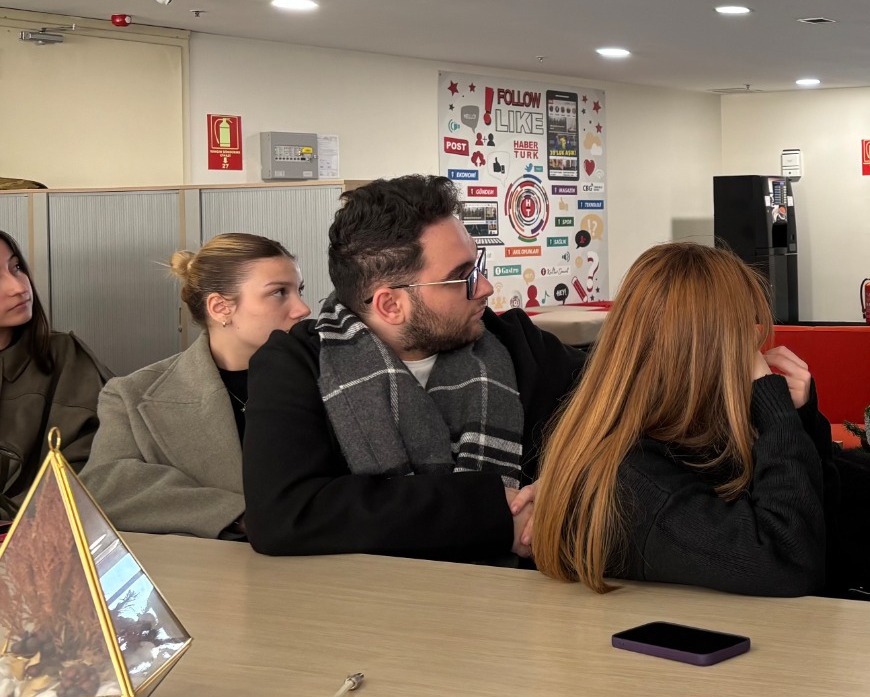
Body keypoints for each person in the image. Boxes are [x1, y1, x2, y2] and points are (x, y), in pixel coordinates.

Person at [243, 175, 585, 561]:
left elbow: (627, 416)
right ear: (390, 305)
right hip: (371, 596)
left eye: (478, 266)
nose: (485, 288)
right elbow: (284, 516)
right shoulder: (297, 365)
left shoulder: (518, 344)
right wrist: (493, 514)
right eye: (462, 277)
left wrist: (567, 484)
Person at [531, 242, 831, 596]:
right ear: (700, 352)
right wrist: (776, 415)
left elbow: (824, 521)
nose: (753, 345)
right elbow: (789, 560)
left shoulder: (689, 440)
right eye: (741, 332)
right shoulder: (635, 485)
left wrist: (800, 421)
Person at [82, 235, 310, 539]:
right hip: (201, 566)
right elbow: (105, 487)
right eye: (279, 292)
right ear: (220, 307)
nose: (303, 308)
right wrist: (239, 515)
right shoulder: (131, 394)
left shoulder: (327, 377)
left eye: (299, 290)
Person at [0, 230, 107, 514]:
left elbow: (101, 462)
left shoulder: (65, 356)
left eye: (16, 267)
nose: (19, 287)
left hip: (50, 525)